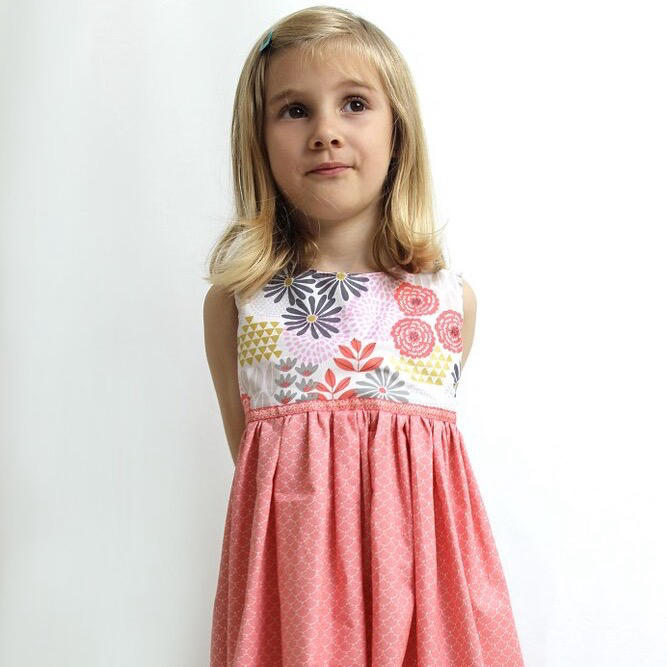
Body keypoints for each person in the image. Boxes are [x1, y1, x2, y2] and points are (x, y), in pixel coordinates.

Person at [203, 6, 524, 666]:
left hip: (427, 601)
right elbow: (256, 479)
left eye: (354, 104)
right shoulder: (239, 307)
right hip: (298, 605)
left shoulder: (446, 302)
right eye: (294, 110)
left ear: (397, 130)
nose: (325, 132)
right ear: (258, 140)